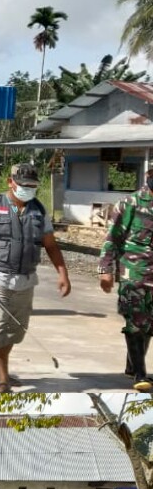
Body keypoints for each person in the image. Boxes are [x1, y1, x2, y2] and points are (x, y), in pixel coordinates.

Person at [0, 162, 71, 392]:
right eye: (23, 184)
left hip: (26, 279)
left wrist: (63, 273)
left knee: (17, 329)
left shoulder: (38, 210)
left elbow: (51, 245)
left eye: (32, 186)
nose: (27, 189)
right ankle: (3, 379)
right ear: (10, 182)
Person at [98, 164, 153, 393]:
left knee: (148, 324)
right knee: (135, 322)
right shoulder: (130, 203)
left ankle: (132, 365)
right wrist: (106, 269)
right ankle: (140, 373)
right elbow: (113, 238)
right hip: (134, 274)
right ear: (150, 175)